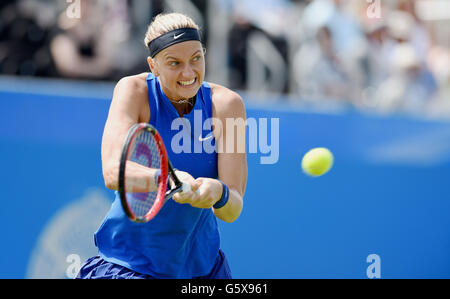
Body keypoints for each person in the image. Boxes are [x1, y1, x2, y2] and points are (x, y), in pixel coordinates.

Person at [76, 12, 247, 279]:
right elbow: (112, 172)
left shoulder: (228, 105)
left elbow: (233, 208)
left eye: (196, 59)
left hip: (201, 269)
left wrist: (218, 192)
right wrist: (170, 180)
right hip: (129, 265)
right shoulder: (133, 91)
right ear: (153, 66)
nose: (188, 72)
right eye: (174, 63)